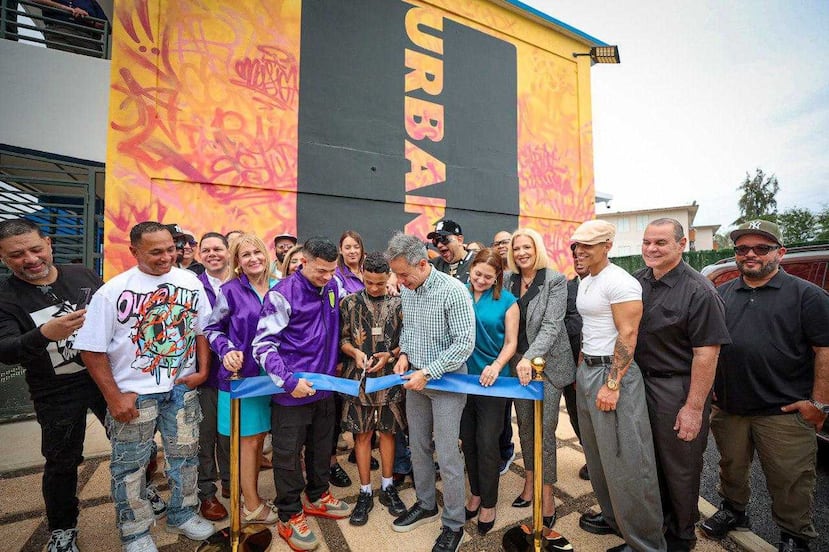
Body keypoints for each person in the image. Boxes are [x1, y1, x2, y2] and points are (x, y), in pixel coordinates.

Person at [76, 222, 216, 552]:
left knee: (185, 457)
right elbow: (91, 348)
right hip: (134, 394)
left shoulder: (189, 281)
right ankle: (135, 531)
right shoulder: (113, 291)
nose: (167, 256)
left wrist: (202, 370)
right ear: (134, 251)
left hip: (181, 388)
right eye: (156, 252)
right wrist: (113, 397)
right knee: (130, 466)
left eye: (171, 249)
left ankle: (183, 514)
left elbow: (201, 330)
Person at [700, 220, 829, 552]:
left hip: (784, 411)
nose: (750, 255)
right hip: (731, 408)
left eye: (761, 248)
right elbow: (708, 348)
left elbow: (824, 351)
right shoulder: (721, 294)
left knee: (791, 479)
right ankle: (734, 512)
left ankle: (794, 536)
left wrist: (818, 403)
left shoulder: (808, 296)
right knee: (731, 468)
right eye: (742, 249)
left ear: (780, 253)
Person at [0, 218, 105, 552]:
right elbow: (5, 350)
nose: (30, 259)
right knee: (61, 461)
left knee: (134, 442)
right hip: (55, 392)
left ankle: (141, 490)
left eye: (35, 248)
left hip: (104, 379)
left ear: (48, 243)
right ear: (3, 257)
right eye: (17, 255)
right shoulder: (5, 298)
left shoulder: (81, 274)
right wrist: (43, 334)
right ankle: (62, 528)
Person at [633, 219, 730, 552]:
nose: (651, 249)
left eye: (660, 242)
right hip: (640, 386)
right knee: (648, 464)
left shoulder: (699, 290)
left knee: (680, 468)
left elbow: (707, 354)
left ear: (682, 244)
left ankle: (681, 538)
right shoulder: (638, 281)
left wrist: (693, 408)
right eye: (647, 242)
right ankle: (654, 533)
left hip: (677, 389)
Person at [571, 219, 666, 552]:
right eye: (576, 245)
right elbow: (592, 328)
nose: (579, 251)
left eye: (587, 245)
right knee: (598, 457)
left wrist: (612, 383)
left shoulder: (620, 282)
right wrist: (583, 363)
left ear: (607, 245)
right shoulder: (587, 281)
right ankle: (614, 520)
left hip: (614, 374)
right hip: (589, 371)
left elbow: (628, 335)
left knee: (628, 460)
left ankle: (646, 544)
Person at [252, 237, 351, 551]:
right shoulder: (282, 294)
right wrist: (288, 381)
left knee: (322, 448)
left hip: (325, 389)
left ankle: (319, 494)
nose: (327, 276)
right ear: (302, 262)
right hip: (291, 393)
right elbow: (262, 346)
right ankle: (290, 513)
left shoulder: (334, 285)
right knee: (287, 457)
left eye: (331, 270)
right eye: (321, 270)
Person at [386, 232, 475, 552]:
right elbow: (409, 329)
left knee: (449, 454)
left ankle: (454, 524)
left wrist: (428, 372)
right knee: (418, 446)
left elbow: (464, 344)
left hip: (446, 382)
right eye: (396, 274)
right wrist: (406, 356)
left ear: (423, 264)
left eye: (403, 274)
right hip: (416, 380)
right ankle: (425, 504)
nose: (399, 281)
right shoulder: (409, 290)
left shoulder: (454, 291)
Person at [505, 228, 576, 536]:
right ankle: (530, 482)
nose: (522, 252)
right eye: (517, 247)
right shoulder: (508, 281)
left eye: (527, 247)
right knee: (525, 426)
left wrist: (528, 358)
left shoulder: (556, 280)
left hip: (545, 366)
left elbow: (550, 326)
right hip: (518, 366)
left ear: (537, 249)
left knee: (544, 429)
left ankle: (547, 497)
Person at [205, 234, 279, 524]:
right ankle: (251, 503)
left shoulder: (278, 287)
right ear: (237, 261)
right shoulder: (231, 291)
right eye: (245, 255)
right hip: (243, 375)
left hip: (272, 375)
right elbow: (213, 329)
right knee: (247, 441)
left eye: (257, 252)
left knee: (260, 438)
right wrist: (227, 350)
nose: (253, 259)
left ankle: (253, 495)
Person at [339, 251, 408, 526]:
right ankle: (365, 491)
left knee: (389, 433)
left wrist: (390, 355)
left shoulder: (401, 303)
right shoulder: (349, 303)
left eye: (380, 283)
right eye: (369, 282)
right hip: (359, 378)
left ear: (388, 276)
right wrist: (354, 352)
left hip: (390, 379)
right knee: (362, 435)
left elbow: (408, 339)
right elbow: (343, 338)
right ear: (363, 275)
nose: (375, 288)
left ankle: (388, 486)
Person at [460, 249, 518, 535]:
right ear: (470, 269)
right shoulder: (460, 295)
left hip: (493, 382)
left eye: (488, 276)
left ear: (498, 277)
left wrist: (496, 366)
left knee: (487, 442)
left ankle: (490, 503)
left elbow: (511, 342)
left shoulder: (508, 302)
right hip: (461, 380)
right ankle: (475, 493)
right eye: (477, 273)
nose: (480, 280)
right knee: (468, 440)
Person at [195, 232, 231, 521]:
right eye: (206, 250)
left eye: (217, 248)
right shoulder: (192, 286)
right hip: (205, 376)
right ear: (198, 255)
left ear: (228, 252)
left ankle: (233, 484)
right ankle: (207, 493)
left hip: (238, 375)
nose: (212, 254)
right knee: (204, 437)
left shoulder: (242, 284)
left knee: (230, 435)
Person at [329, 230, 367, 487]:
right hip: (345, 350)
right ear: (340, 250)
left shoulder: (371, 272)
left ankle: (358, 451)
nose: (352, 251)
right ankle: (331, 463)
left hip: (370, 353)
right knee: (335, 411)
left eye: (356, 246)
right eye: (347, 247)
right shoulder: (336, 278)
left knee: (363, 405)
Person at [563, 243, 589, 481]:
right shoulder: (566, 288)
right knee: (576, 414)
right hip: (570, 366)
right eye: (575, 255)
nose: (579, 259)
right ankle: (591, 458)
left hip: (600, 367)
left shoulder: (614, 285)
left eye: (584, 254)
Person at [31, 0, 109, 56]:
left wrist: (88, 19)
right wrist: (69, 9)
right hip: (60, 32)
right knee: (65, 65)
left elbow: (107, 28)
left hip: (87, 40)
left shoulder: (91, 2)